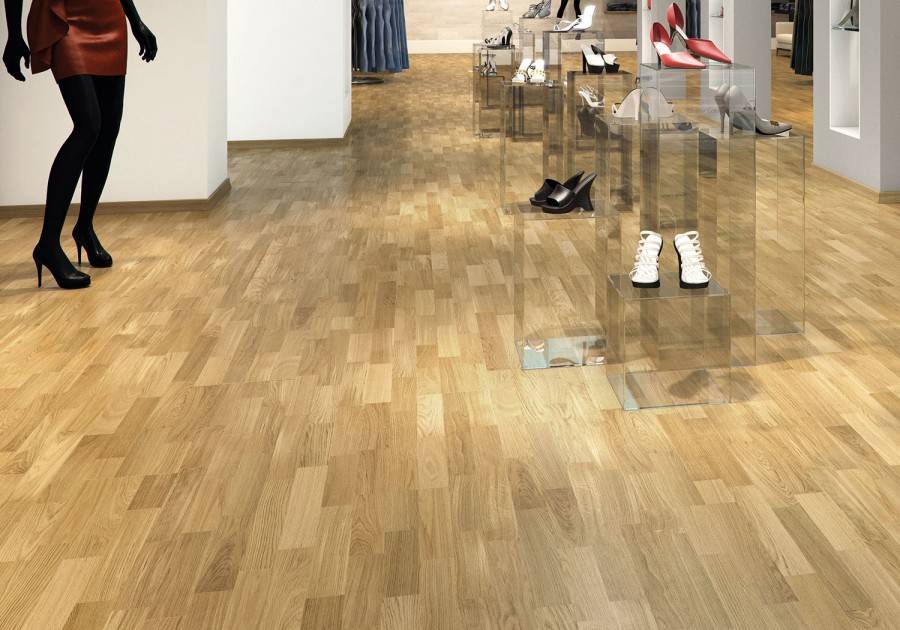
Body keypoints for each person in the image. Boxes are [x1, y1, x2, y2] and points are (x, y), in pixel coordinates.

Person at [2, 0, 157, 289]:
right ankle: (48, 244)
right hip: (64, 18)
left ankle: (84, 228)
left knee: (107, 130)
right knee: (88, 126)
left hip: (109, 17)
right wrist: (13, 34)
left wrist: (135, 21)